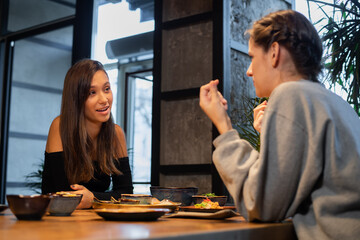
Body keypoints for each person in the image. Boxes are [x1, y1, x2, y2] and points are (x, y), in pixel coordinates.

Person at [199, 10, 360, 240]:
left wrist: (224, 126)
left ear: (274, 52)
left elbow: (261, 205)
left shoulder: (290, 94)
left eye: (252, 57)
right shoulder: (337, 104)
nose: (249, 71)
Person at [42, 59, 133, 209]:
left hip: (97, 221)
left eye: (107, 89)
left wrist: (93, 198)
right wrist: (99, 199)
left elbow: (126, 194)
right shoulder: (59, 126)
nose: (104, 100)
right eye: (92, 92)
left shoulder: (116, 134)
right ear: (76, 99)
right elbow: (64, 195)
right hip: (58, 220)